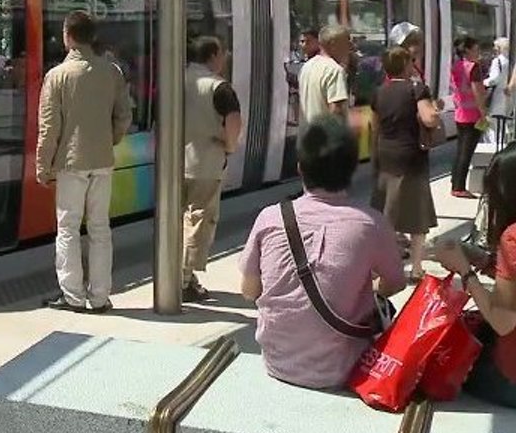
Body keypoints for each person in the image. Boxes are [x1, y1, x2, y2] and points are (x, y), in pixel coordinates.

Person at [239, 117, 406, 390]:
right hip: (342, 369)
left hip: (277, 363)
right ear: (352, 170)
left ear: (300, 169)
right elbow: (396, 282)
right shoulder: (371, 223)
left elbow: (249, 290)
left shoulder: (270, 218)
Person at [36, 10, 132, 313]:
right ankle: (100, 296)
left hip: (70, 163)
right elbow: (124, 116)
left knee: (68, 229)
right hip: (102, 160)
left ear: (68, 36)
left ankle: (73, 295)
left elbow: (48, 127)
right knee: (100, 229)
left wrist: (43, 166)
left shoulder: (57, 76)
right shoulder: (112, 72)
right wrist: (110, 139)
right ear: (93, 37)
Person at [438, 143, 516, 408]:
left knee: (444, 362)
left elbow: (503, 321)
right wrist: (485, 261)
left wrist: (465, 270)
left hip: (510, 379)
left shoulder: (513, 237)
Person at [370, 47, 441, 282]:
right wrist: (436, 110)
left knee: (386, 212)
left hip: (386, 155)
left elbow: (375, 128)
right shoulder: (417, 89)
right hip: (411, 158)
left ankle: (383, 267)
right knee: (416, 215)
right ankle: (417, 268)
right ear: (405, 64)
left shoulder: (379, 92)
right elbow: (429, 119)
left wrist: (375, 158)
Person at [182, 36, 242, 302]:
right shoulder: (220, 88)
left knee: (177, 222)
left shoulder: (176, 79)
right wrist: (229, 146)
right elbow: (234, 122)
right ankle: (182, 281)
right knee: (198, 221)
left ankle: (183, 276)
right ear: (214, 55)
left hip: (173, 164)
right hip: (205, 164)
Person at [450, 35, 487, 199]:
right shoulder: (473, 68)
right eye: (476, 49)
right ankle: (459, 187)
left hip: (460, 114)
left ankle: (455, 182)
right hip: (473, 115)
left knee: (460, 150)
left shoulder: (456, 66)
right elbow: (478, 93)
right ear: (468, 50)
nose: (478, 52)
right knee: (467, 152)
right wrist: (484, 114)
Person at [297, 24, 351, 129]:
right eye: (346, 43)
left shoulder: (307, 67)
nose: (349, 47)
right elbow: (336, 110)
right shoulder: (334, 70)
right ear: (333, 44)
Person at [483, 37, 511, 147]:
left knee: (492, 122)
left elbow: (494, 79)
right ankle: (504, 143)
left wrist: (483, 83)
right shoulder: (510, 60)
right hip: (507, 95)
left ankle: (493, 145)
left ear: (499, 48)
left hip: (497, 95)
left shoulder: (497, 61)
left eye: (495, 47)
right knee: (503, 121)